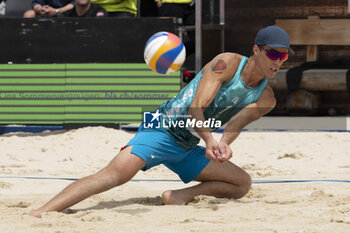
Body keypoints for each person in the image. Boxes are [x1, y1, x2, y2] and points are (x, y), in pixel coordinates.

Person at [29, 25, 292, 217]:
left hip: (188, 144)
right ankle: (42, 211)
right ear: (256, 50)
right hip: (163, 127)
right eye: (273, 54)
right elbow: (194, 109)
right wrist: (211, 139)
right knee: (114, 176)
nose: (278, 61)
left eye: (284, 56)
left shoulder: (266, 98)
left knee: (241, 183)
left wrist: (223, 143)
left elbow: (235, 123)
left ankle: (178, 196)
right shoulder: (227, 63)